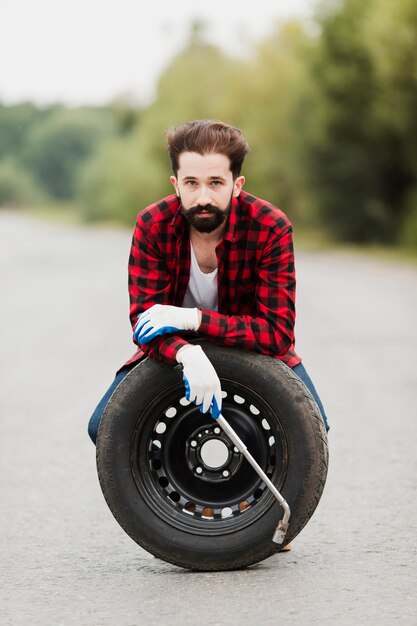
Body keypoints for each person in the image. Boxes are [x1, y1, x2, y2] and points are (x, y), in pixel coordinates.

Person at [88, 119, 329, 445]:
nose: (203, 197)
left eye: (215, 183)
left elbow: (277, 333)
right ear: (175, 184)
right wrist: (187, 353)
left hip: (255, 353)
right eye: (191, 183)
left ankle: (256, 496)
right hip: (175, 351)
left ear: (237, 184)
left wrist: (194, 319)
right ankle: (164, 492)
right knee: (104, 426)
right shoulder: (152, 225)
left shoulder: (271, 227)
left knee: (312, 431)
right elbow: (144, 324)